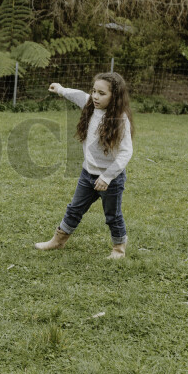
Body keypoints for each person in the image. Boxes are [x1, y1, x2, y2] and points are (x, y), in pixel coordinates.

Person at [37, 72, 135, 259]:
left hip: (110, 179)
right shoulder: (91, 105)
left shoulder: (120, 119)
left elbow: (125, 152)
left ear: (115, 96)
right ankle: (58, 241)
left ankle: (118, 249)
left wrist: (106, 177)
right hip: (88, 173)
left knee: (112, 215)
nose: (96, 97)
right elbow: (78, 95)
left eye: (102, 93)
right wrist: (60, 89)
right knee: (74, 208)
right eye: (94, 91)